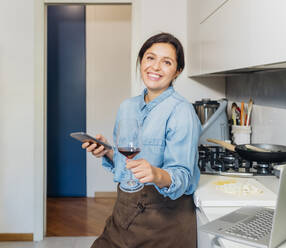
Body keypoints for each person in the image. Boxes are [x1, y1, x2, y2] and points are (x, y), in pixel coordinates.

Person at [82, 32, 202, 248]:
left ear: (178, 71)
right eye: (150, 57)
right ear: (141, 61)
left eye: (167, 62)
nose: (155, 67)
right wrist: (108, 152)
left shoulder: (182, 111)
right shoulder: (127, 107)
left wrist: (157, 174)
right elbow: (126, 159)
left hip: (163, 224)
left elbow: (184, 175)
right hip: (123, 215)